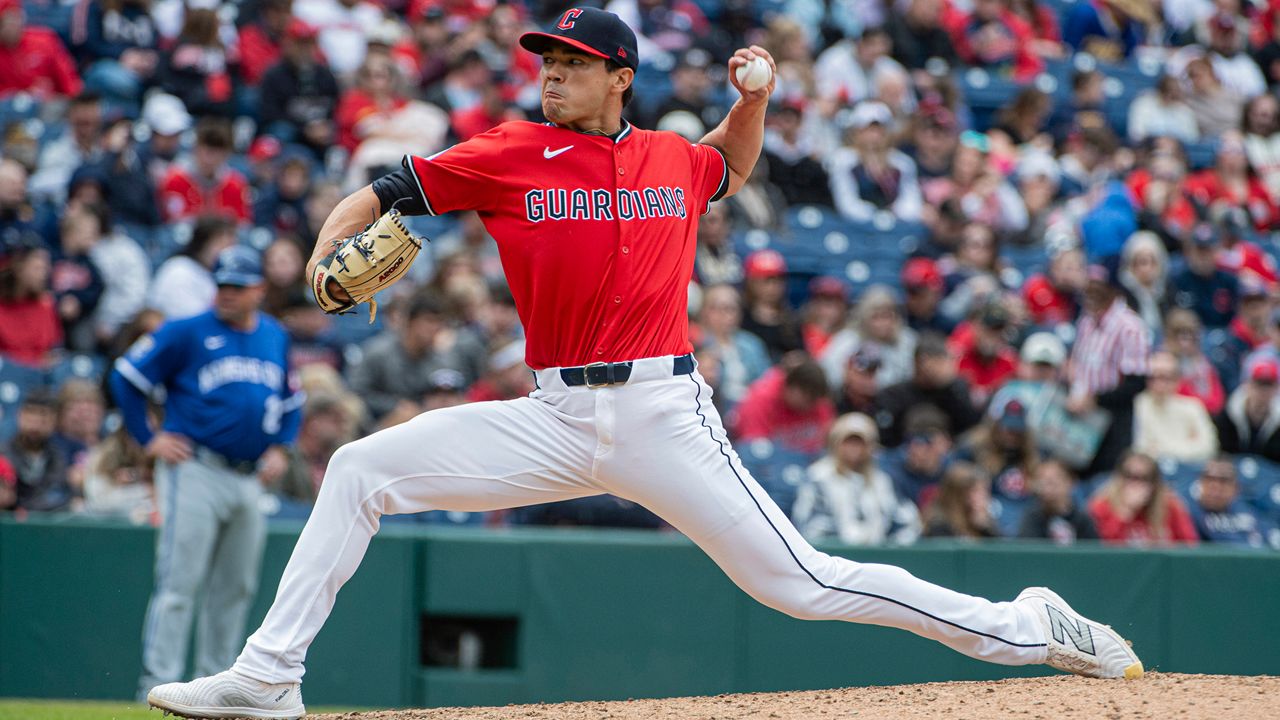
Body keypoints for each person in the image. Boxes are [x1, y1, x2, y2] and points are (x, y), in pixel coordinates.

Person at [146, 12, 1143, 719]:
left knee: (797, 584)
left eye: (572, 62)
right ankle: (270, 675)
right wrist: (327, 253)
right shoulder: (506, 154)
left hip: (662, 411)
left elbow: (730, 163)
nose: (551, 73)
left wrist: (751, 96)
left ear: (619, 76)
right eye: (546, 59)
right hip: (546, 417)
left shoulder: (672, 156)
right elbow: (379, 190)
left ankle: (1021, 625)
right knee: (357, 469)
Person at [111, 246, 301, 700]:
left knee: (235, 588)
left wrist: (282, 447)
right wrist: (147, 437)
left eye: (237, 286)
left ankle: (214, 687)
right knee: (180, 583)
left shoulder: (274, 334)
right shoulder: (185, 331)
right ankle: (155, 687)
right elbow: (126, 376)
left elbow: (293, 400)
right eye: (222, 285)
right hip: (195, 467)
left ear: (259, 288)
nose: (227, 294)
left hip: (248, 476)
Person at [1067, 264, 1151, 475]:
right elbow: (1081, 361)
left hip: (1111, 419)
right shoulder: (1086, 320)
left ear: (1113, 289)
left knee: (1104, 476)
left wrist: (1095, 399)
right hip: (1079, 415)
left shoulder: (1129, 327)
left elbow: (1136, 384)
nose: (1091, 294)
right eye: (1089, 287)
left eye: (1098, 287)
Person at [791, 413, 922, 546]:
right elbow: (808, 525)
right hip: (834, 557)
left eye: (860, 443)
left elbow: (907, 521)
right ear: (836, 443)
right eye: (848, 442)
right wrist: (849, 540)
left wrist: (891, 546)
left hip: (877, 556)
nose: (854, 448)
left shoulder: (881, 480)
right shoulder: (818, 477)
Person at [953, 396, 1042, 536]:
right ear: (995, 426)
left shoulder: (1035, 454)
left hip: (1023, 516)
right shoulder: (972, 451)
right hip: (988, 515)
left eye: (1017, 430)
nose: (1012, 435)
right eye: (1007, 429)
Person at [877, 332, 983, 448]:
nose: (939, 367)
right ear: (919, 362)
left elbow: (970, 425)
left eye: (943, 361)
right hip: (903, 453)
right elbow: (885, 437)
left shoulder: (956, 388)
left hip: (948, 453)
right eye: (935, 361)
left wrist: (948, 386)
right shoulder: (894, 394)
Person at [1087, 450, 1199, 546]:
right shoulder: (1101, 506)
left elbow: (1189, 546)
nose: (1136, 484)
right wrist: (1125, 513)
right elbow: (1101, 549)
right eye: (1130, 476)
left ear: (1155, 483)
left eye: (1145, 478)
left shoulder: (1171, 507)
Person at [730, 354, 835, 455]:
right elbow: (754, 452)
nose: (811, 406)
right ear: (792, 388)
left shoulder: (818, 399)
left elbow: (827, 441)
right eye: (808, 399)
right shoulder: (761, 400)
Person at [0, 388, 78, 512]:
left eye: (43, 415)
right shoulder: (3, 454)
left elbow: (65, 496)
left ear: (54, 421)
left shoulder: (59, 457)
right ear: (20, 415)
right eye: (31, 414)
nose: (35, 423)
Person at [1133, 350, 1219, 462]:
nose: (1158, 384)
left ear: (1177, 380)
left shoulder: (1193, 406)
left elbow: (1209, 447)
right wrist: (1188, 444)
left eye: (1165, 378)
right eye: (1153, 378)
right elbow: (1140, 447)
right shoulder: (1139, 404)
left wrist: (1160, 449)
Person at [1188, 457, 1278, 548]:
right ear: (1200, 482)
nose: (1215, 487)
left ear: (1236, 488)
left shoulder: (1246, 511)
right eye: (1209, 479)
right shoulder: (1188, 512)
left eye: (1223, 481)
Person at [1018, 459, 1099, 544]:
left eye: (1052, 483)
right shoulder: (1031, 518)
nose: (1047, 489)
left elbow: (1093, 551)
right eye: (1042, 484)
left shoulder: (1082, 520)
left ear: (1070, 482)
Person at [1214, 359, 1280, 461]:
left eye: (1268, 385)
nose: (1263, 391)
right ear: (1248, 385)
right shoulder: (1229, 415)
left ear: (1276, 389)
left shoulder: (1277, 421)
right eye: (1259, 384)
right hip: (1233, 470)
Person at [923, 461, 998, 539]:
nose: (984, 497)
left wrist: (986, 528)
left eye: (985, 491)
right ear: (959, 494)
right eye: (977, 491)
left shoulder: (983, 522)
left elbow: (1002, 548)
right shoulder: (939, 526)